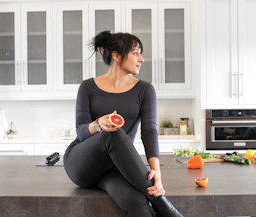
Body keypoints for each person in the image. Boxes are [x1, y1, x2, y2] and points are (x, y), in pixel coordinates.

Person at [63, 31, 184, 217]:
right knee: (113, 134)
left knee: (137, 203)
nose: (141, 59)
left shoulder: (144, 90)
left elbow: (149, 131)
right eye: (135, 52)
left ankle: (160, 205)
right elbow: (81, 133)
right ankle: (166, 208)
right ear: (116, 55)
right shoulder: (88, 87)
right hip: (82, 164)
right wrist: (99, 124)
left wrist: (156, 172)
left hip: (114, 167)